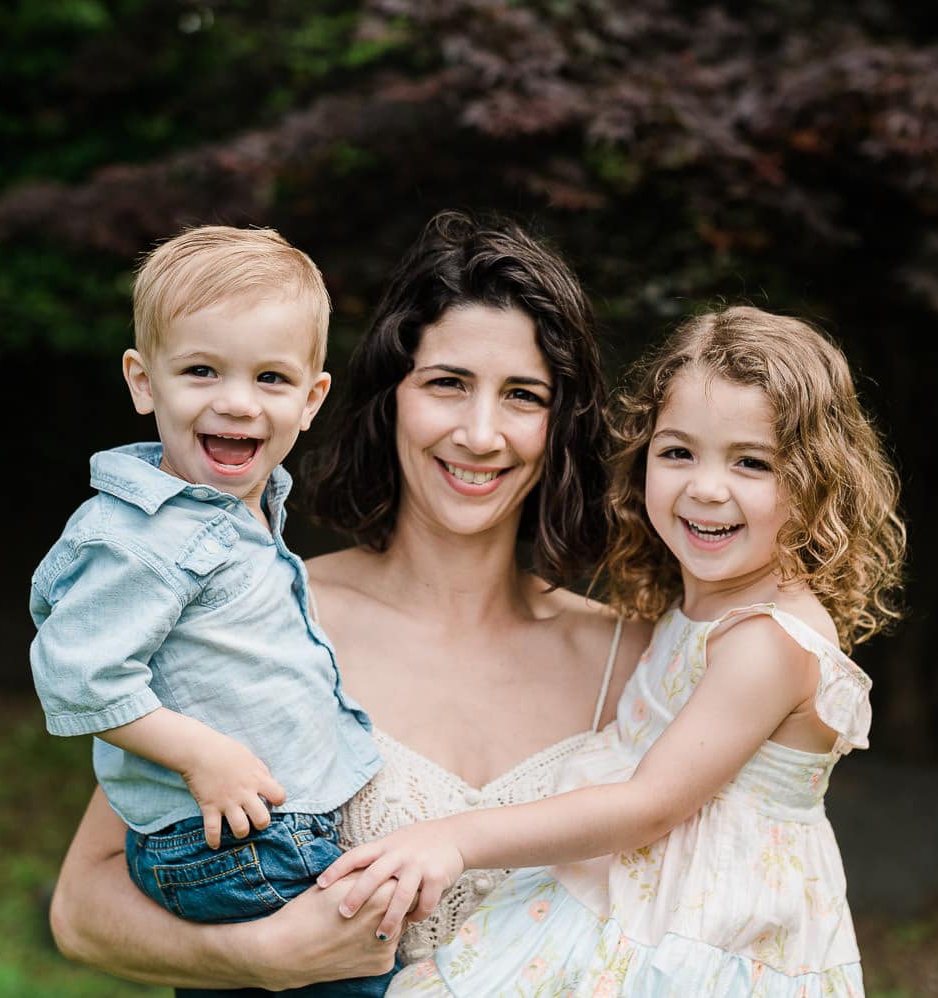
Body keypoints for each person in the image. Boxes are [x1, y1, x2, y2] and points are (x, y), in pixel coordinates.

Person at [43, 211, 651, 993]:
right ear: (390, 398)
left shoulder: (628, 658)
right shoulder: (259, 615)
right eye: (447, 384)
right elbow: (81, 907)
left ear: (560, 423)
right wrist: (258, 959)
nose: (479, 432)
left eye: (524, 395)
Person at [318, 305, 908, 996]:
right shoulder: (695, 614)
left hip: (705, 947)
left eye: (752, 462)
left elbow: (649, 803)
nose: (705, 487)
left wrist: (455, 837)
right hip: (637, 910)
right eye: (678, 452)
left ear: (815, 481)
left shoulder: (768, 640)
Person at [28, 225, 390, 996]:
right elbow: (78, 675)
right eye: (200, 370)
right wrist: (203, 756)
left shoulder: (237, 511)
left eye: (269, 378)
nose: (236, 402)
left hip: (254, 837)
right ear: (143, 381)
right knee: (365, 971)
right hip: (236, 842)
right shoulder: (145, 535)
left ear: (312, 397)